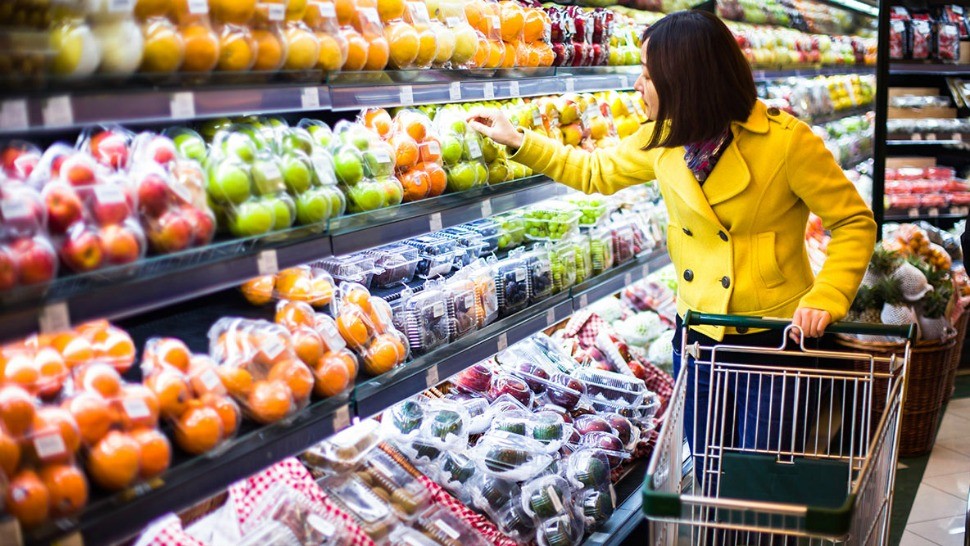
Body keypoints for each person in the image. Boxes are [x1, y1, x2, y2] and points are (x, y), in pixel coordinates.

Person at [468, 8, 876, 504]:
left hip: (773, 341)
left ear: (686, 80)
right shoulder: (663, 138)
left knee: (757, 479)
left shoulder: (787, 142)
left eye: (648, 74)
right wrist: (520, 140)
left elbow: (854, 222)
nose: (638, 85)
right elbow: (595, 171)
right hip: (699, 336)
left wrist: (828, 295)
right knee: (708, 468)